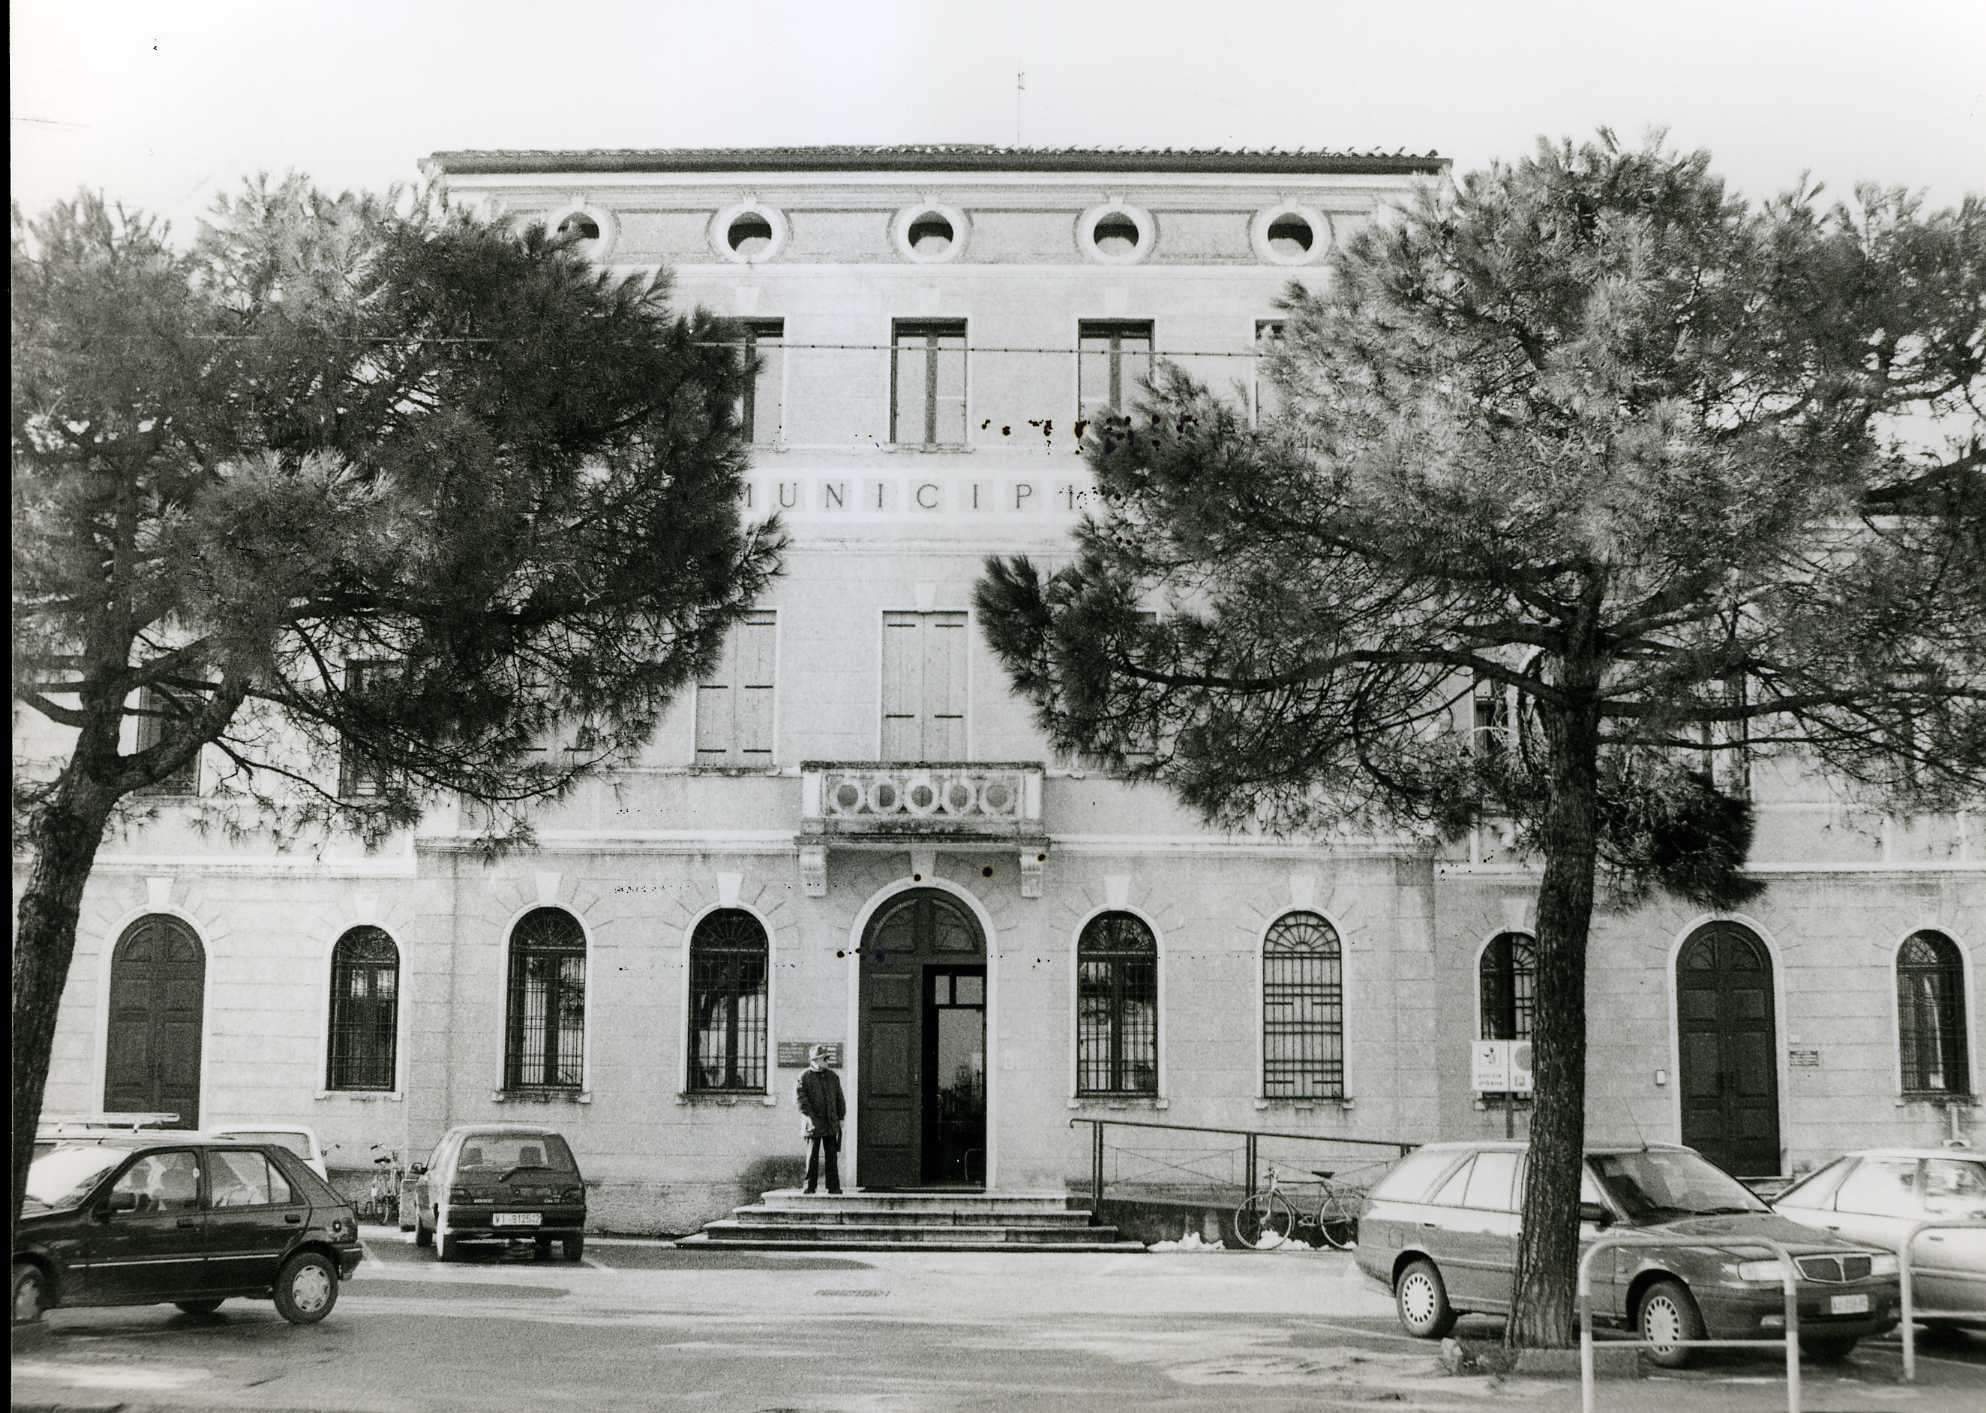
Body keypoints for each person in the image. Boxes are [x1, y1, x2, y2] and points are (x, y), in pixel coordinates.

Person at [795, 1044, 845, 1195]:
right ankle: (809, 1187)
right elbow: (801, 1101)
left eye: (828, 1058)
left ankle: (833, 1187)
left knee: (831, 1156)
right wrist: (812, 1117)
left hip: (830, 1123)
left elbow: (839, 1098)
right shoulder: (804, 1077)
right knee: (812, 1157)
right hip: (813, 1124)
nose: (827, 1061)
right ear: (815, 1060)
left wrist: (841, 1116)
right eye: (825, 1058)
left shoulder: (833, 1076)